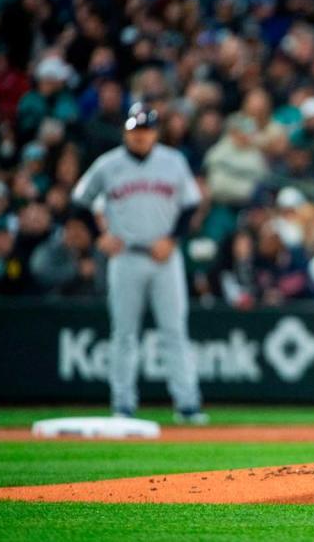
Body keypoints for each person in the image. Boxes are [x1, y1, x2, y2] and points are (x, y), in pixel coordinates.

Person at [71, 103, 208, 424]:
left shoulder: (173, 162)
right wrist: (98, 236)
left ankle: (187, 404)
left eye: (145, 130)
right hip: (126, 256)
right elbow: (80, 201)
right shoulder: (108, 165)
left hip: (165, 257)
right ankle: (123, 405)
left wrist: (172, 239)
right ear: (125, 131)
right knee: (124, 334)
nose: (140, 136)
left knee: (175, 331)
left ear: (155, 133)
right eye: (135, 130)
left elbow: (190, 207)